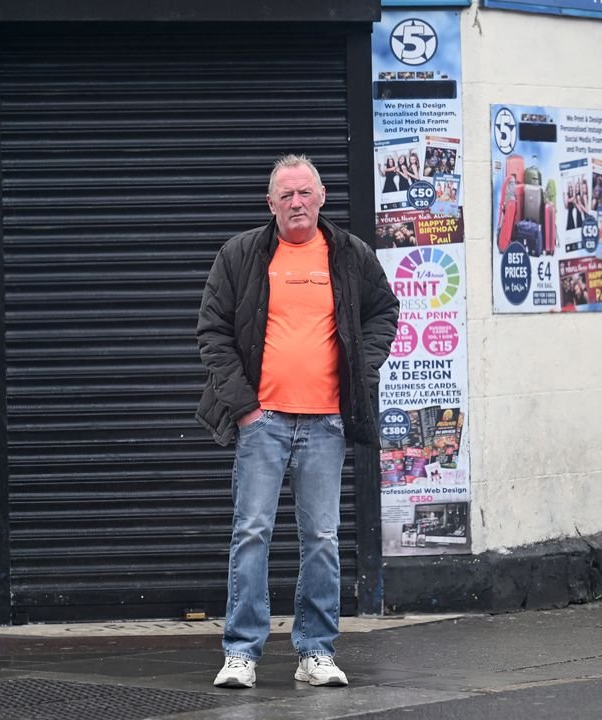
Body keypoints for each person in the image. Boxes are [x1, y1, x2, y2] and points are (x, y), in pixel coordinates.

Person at [196, 154, 400, 690]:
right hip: (261, 422)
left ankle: (316, 652)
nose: (296, 202)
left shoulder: (348, 254)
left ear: (322, 196)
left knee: (322, 537)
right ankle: (241, 653)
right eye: (285, 195)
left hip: (327, 420)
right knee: (251, 533)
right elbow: (212, 332)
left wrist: (361, 369)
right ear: (270, 204)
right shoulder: (241, 255)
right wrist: (244, 406)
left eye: (304, 192)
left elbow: (384, 311)